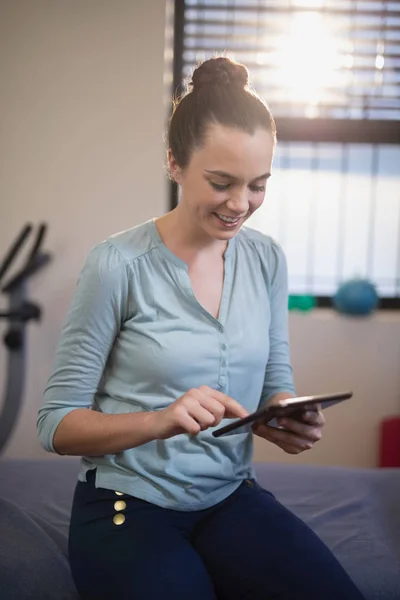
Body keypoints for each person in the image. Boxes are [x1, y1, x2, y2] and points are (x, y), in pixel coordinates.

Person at [37, 56, 365, 600]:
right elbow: (55, 424)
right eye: (221, 182)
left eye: (258, 185)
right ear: (174, 163)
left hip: (229, 496)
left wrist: (285, 416)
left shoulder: (266, 261)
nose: (241, 205)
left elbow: (274, 377)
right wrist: (161, 420)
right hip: (126, 505)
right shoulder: (116, 264)